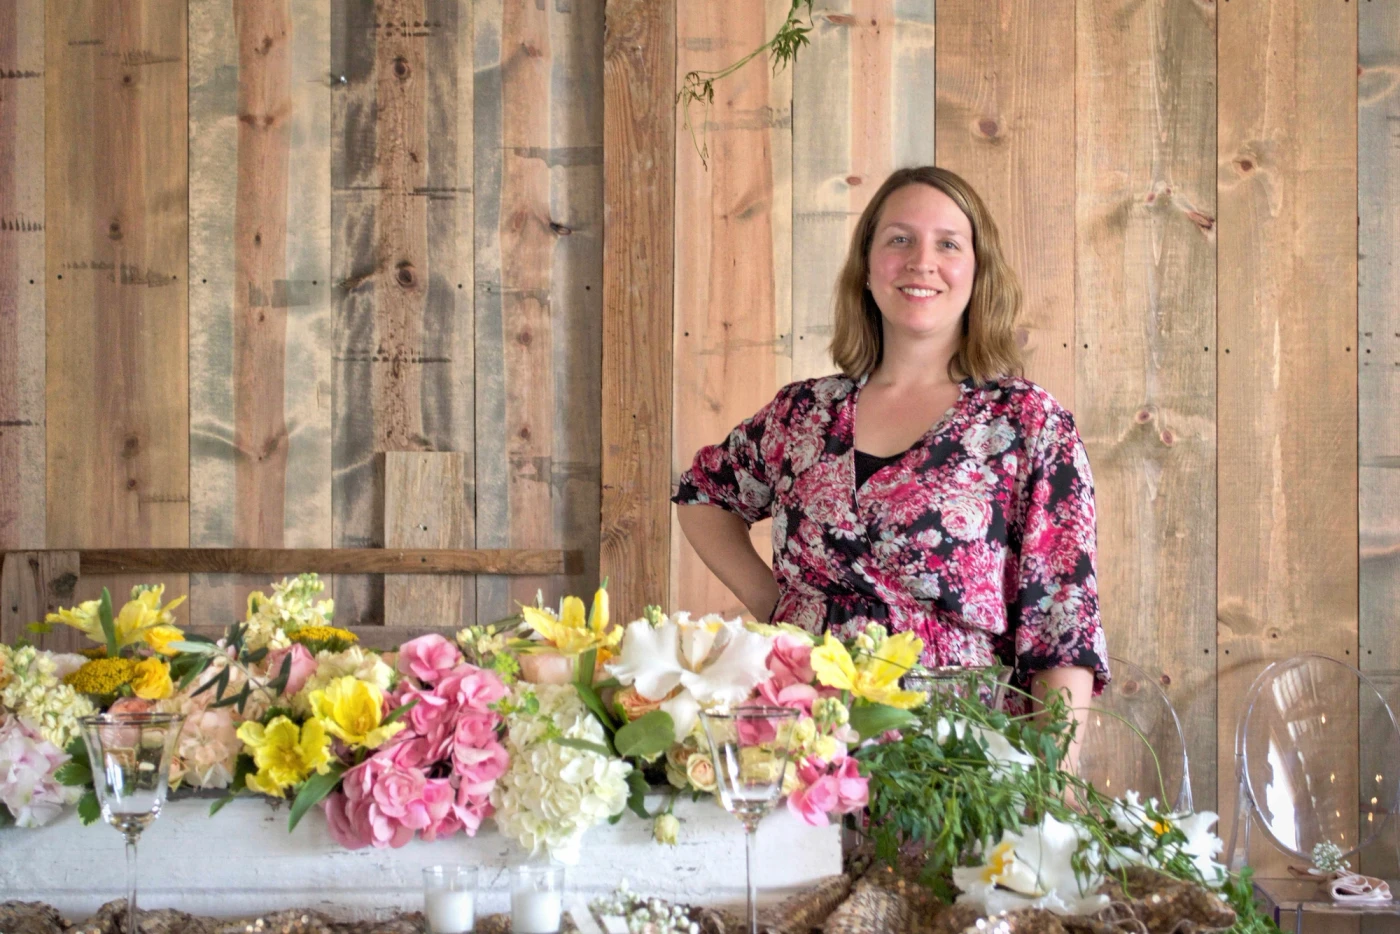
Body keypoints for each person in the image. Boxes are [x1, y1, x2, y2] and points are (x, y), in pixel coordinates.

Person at [672, 166, 1108, 716]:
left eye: (947, 244)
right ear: (867, 268)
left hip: (951, 754)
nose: (920, 261)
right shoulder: (803, 413)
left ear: (978, 271)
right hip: (802, 728)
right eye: (899, 239)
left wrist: (1050, 788)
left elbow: (1061, 625)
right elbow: (703, 495)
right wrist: (775, 603)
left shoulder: (1027, 424)